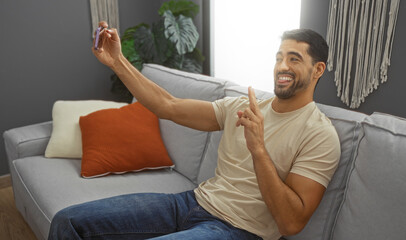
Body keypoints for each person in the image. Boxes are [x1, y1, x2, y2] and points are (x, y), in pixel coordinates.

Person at [48, 21, 340, 240]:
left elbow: (291, 223)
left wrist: (258, 149)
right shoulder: (243, 106)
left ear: (318, 70)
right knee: (68, 221)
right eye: (279, 57)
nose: (282, 66)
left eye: (294, 59)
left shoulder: (319, 135)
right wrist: (118, 62)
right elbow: (168, 106)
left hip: (238, 230)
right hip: (191, 202)